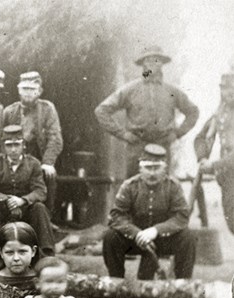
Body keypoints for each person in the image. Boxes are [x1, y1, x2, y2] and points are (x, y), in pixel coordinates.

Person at [95, 45, 199, 179]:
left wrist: (177, 134)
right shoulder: (130, 90)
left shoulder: (172, 92)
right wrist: (123, 134)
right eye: (148, 60)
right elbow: (101, 110)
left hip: (162, 146)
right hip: (137, 147)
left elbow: (193, 112)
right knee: (134, 189)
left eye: (156, 60)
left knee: (162, 190)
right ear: (142, 63)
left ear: (162, 63)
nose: (152, 64)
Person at [103, 144, 196, 280]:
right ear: (140, 169)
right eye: (148, 168)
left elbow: (181, 216)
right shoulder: (129, 186)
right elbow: (117, 216)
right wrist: (136, 233)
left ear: (164, 169)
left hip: (164, 239)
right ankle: (116, 282)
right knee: (110, 237)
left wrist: (156, 230)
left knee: (187, 237)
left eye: (156, 168)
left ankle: (183, 284)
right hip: (135, 240)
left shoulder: (173, 187)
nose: (152, 173)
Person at [0, 125, 55, 267]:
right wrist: (6, 199)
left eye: (16, 145)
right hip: (2, 209)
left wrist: (23, 200)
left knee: (39, 207)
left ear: (23, 145)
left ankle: (46, 255)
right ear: (3, 147)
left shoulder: (33, 164)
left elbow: (40, 191)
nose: (13, 149)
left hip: (26, 209)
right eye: (9, 145)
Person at [2, 71, 63, 213]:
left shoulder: (47, 109)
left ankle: (46, 216)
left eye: (32, 89)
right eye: (24, 89)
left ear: (39, 91)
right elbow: (0, 138)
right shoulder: (9, 111)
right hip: (13, 157)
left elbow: (55, 137)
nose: (28, 93)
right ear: (19, 90)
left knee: (48, 175)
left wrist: (48, 162)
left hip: (38, 158)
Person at [194, 71, 234, 234]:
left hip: (226, 166)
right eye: (225, 88)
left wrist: (214, 164)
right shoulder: (220, 115)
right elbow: (200, 138)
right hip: (228, 175)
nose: (230, 92)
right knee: (231, 219)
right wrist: (203, 158)